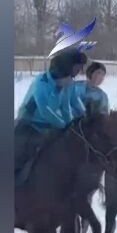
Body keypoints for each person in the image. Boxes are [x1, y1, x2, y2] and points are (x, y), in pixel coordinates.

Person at [14, 50, 88, 178]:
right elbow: (46, 111)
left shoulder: (68, 83)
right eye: (77, 67)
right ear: (67, 65)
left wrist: (76, 123)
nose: (80, 70)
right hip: (29, 125)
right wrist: (64, 125)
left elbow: (66, 107)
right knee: (19, 157)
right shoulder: (41, 82)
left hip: (50, 126)